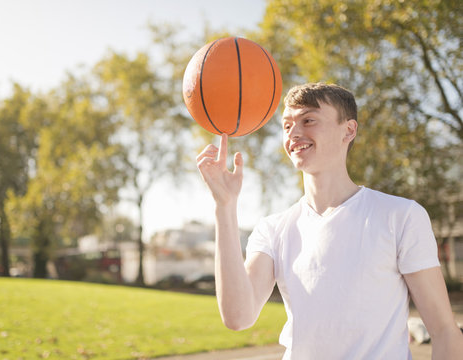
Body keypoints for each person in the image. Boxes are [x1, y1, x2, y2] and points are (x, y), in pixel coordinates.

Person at [196, 82, 463, 359]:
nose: (294, 133)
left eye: (308, 120)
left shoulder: (401, 216)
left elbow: (444, 331)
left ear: (348, 130)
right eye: (287, 126)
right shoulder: (273, 229)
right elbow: (239, 316)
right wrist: (224, 206)